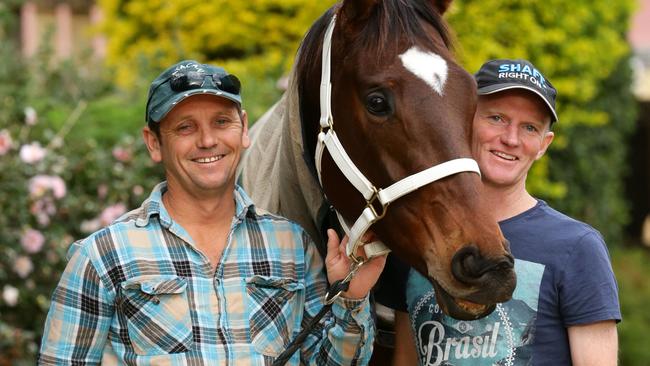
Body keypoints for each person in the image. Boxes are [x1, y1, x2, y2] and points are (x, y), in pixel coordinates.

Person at [38, 60, 386, 365]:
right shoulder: (103, 256)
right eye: (185, 127)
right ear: (154, 142)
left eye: (222, 122)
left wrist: (352, 295)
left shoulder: (291, 246)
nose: (207, 140)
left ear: (244, 128)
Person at [377, 58, 621, 365]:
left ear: (544, 145)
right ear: (463, 120)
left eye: (529, 127)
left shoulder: (577, 247)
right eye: (496, 118)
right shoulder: (420, 235)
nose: (511, 139)